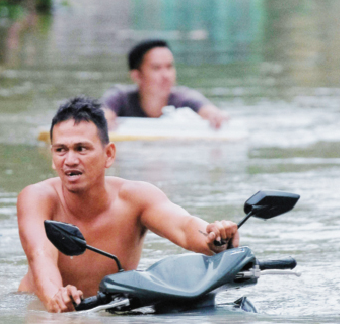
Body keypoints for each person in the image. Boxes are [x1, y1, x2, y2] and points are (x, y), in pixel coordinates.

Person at [17, 97, 238, 313]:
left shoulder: (136, 198)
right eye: (61, 150)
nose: (70, 160)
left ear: (109, 155)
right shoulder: (36, 198)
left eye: (81, 148)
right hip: (39, 309)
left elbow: (184, 225)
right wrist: (56, 297)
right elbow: (40, 256)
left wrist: (216, 237)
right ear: (52, 157)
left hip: (110, 310)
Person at [102, 39, 229, 129]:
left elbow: (209, 111)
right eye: (156, 68)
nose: (166, 76)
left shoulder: (184, 99)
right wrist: (104, 119)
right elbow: (101, 115)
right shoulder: (120, 98)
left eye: (169, 67)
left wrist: (216, 116)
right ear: (137, 76)